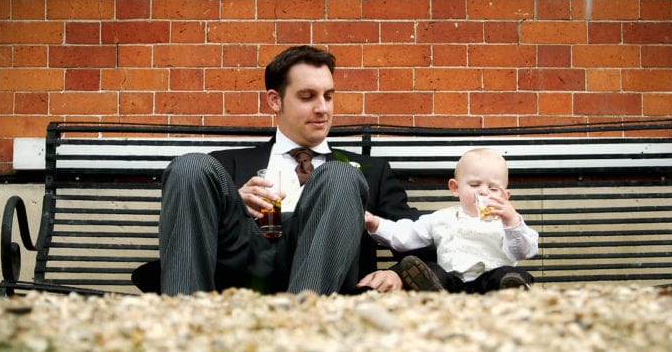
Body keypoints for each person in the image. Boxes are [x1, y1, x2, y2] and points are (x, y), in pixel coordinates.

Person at [154, 45, 421, 296]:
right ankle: (184, 318)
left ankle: (302, 319)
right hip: (239, 263)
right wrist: (230, 202)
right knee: (190, 165)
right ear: (275, 100)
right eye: (307, 97)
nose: (322, 109)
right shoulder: (223, 166)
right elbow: (191, 232)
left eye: (328, 96)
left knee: (341, 176)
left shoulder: (371, 172)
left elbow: (423, 235)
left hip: (320, 275)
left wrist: (399, 274)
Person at [364, 148, 539, 293]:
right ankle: (430, 287)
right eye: (475, 185)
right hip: (450, 284)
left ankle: (510, 290)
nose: (484, 192)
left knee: (510, 273)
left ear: (506, 196)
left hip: (490, 282)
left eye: (493, 188)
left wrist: (512, 221)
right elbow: (407, 235)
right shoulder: (441, 218)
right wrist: (376, 224)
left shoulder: (507, 223)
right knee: (432, 269)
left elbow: (525, 251)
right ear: (456, 188)